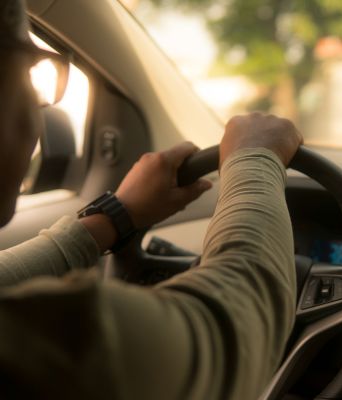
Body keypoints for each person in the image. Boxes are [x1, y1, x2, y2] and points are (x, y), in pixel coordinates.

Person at [0, 0, 303, 398]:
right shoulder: (51, 346)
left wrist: (115, 216)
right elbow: (229, 330)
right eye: (31, 68)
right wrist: (255, 162)